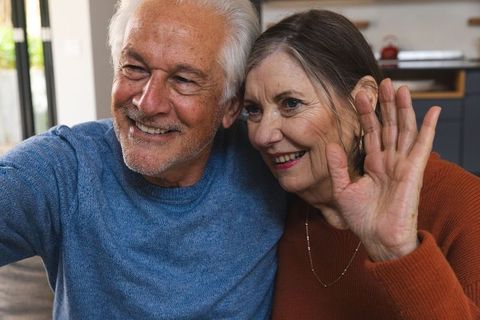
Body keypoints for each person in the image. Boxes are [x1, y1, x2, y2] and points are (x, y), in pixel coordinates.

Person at [0, 0, 286, 318]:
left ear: (230, 106)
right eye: (135, 68)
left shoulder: (271, 158)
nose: (148, 103)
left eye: (183, 80)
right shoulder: (66, 168)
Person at [243, 9, 480, 319]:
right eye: (253, 110)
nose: (262, 135)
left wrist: (398, 252)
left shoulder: (462, 203)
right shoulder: (277, 207)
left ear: (361, 101)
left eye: (291, 104)